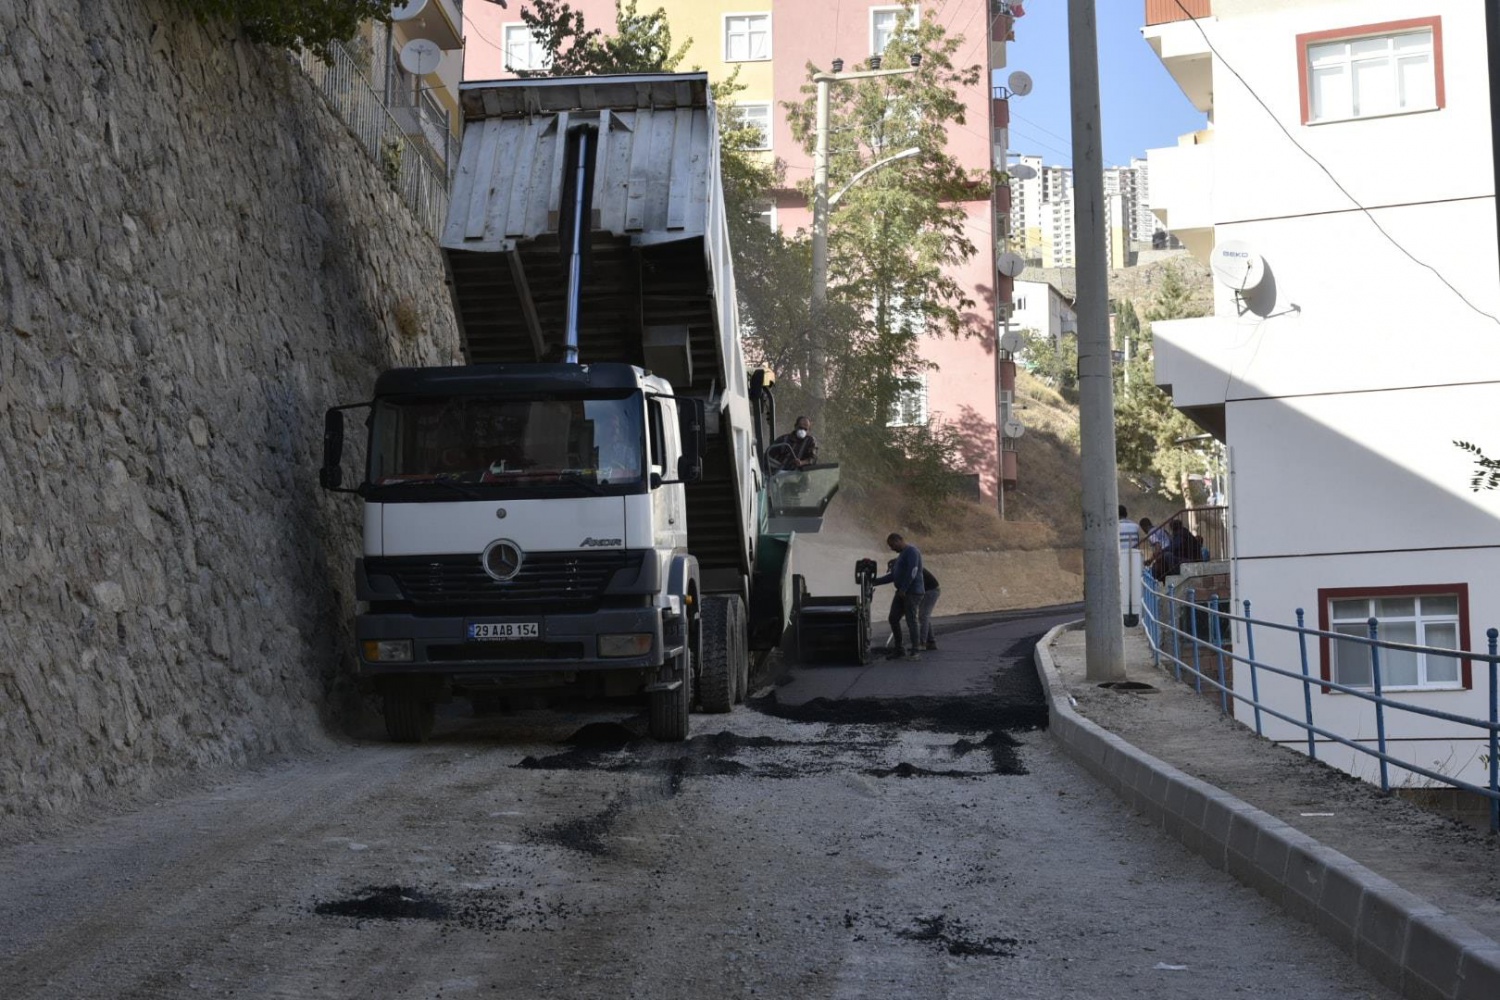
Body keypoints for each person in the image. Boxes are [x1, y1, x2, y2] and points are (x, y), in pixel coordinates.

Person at [873, 532, 925, 660]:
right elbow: (893, 576)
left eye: (892, 545)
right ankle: (899, 649)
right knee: (893, 618)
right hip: (902, 592)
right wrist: (875, 581)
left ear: (899, 540)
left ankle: (915, 650)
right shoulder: (901, 556)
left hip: (911, 592)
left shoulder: (912, 551)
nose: (892, 548)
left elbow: (913, 571)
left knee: (911, 620)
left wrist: (904, 588)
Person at [917, 566, 941, 650]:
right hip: (927, 591)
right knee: (923, 616)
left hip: (931, 591)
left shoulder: (912, 569)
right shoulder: (910, 567)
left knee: (924, 616)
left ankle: (922, 643)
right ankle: (931, 642)